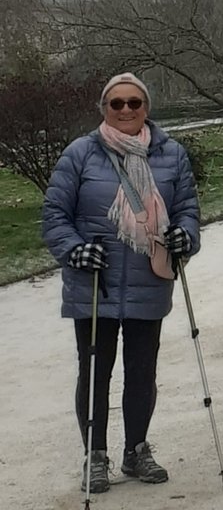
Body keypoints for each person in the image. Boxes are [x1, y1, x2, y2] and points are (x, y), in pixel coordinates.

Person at [42, 72, 200, 493]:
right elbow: (55, 214)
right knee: (94, 371)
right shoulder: (80, 154)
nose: (127, 110)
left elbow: (187, 209)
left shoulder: (171, 154)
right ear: (104, 110)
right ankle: (95, 455)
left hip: (150, 279)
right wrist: (74, 249)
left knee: (142, 371)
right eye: (117, 104)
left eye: (135, 103)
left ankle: (136, 449)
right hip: (95, 284)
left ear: (146, 108)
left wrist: (186, 236)